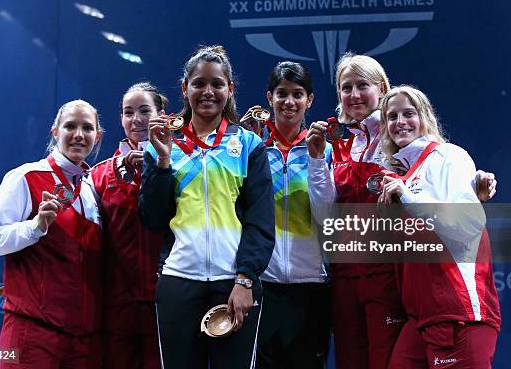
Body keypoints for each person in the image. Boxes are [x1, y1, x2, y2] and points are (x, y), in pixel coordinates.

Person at [306, 53, 497, 369]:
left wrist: (475, 183)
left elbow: (439, 173)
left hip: (389, 275)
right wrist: (315, 161)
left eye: (362, 85)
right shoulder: (338, 144)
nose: (354, 95)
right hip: (344, 274)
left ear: (381, 88)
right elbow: (325, 215)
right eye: (346, 87)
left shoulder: (399, 139)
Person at [139, 45, 275, 369]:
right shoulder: (165, 146)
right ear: (185, 89)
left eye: (217, 83)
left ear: (230, 89)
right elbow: (153, 219)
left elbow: (260, 221)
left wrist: (245, 280)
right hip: (178, 282)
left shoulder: (248, 146)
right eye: (199, 83)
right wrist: (161, 160)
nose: (208, 92)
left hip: (235, 283)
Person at [0, 99, 104, 368]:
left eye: (87, 128)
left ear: (97, 136)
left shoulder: (94, 190)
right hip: (32, 333)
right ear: (55, 132)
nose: (79, 135)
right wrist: (35, 228)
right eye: (70, 126)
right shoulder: (26, 177)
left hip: (84, 340)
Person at [379, 86, 501, 368]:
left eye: (408, 114)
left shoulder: (449, 157)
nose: (400, 122)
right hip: (420, 318)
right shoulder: (402, 175)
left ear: (425, 117)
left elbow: (466, 225)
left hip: (458, 314)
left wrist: (409, 197)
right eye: (391, 116)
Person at [241, 62, 332, 368]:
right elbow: (237, 209)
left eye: (297, 94)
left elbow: (328, 217)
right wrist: (242, 148)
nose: (289, 102)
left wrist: (318, 158)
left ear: (310, 100)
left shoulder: (326, 151)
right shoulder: (252, 149)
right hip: (263, 285)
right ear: (269, 97)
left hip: (311, 284)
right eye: (282, 93)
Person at [89, 82, 167, 369]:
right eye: (128, 112)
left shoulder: (182, 166)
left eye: (145, 111)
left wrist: (156, 166)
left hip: (166, 301)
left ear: (162, 114)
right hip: (116, 307)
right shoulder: (99, 176)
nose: (136, 120)